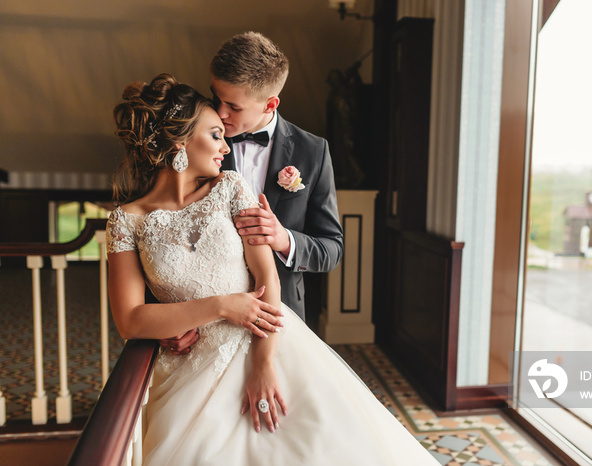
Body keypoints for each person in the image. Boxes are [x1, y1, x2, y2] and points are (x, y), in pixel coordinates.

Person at [107, 74, 438, 465]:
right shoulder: (125, 221)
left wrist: (262, 367)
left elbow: (267, 280)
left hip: (265, 343)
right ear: (180, 142)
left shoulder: (231, 187)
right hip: (187, 368)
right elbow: (130, 319)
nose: (225, 145)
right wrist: (220, 306)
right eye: (215, 134)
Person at [160, 31, 343, 355]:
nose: (219, 111)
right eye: (216, 97)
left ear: (270, 103)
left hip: (281, 320)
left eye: (232, 105)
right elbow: (160, 233)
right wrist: (165, 322)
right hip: (203, 326)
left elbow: (332, 249)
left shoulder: (313, 152)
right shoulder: (196, 139)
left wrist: (283, 238)